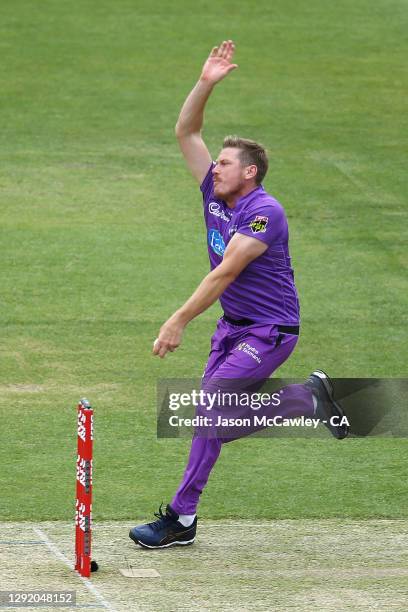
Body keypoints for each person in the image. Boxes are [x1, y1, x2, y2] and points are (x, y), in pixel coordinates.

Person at [129, 40, 348, 550]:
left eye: (225, 163)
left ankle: (182, 518)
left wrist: (178, 319)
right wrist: (205, 82)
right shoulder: (216, 194)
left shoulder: (263, 212)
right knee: (211, 422)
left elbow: (225, 273)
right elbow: (186, 131)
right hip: (234, 328)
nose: (216, 169)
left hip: (270, 333)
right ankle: (305, 399)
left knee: (206, 413)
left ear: (249, 172)